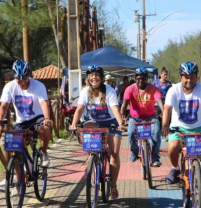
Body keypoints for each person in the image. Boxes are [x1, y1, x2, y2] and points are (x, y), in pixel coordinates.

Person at [161, 62, 201, 194]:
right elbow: (167, 108)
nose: (189, 80)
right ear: (181, 77)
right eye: (186, 76)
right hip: (178, 128)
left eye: (192, 76)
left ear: (196, 77)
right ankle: (175, 168)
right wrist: (165, 125)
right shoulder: (173, 90)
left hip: (199, 129)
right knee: (173, 146)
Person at [70, 65, 125, 199]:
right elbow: (79, 109)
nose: (94, 77)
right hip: (94, 122)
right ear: (88, 78)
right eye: (91, 75)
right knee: (86, 128)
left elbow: (116, 109)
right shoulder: (85, 91)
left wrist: (121, 123)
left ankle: (113, 184)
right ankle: (92, 157)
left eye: (96, 75)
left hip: (111, 122)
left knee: (114, 153)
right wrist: (73, 124)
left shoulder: (109, 91)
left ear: (100, 77)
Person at [0, 59, 52, 167]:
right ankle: (21, 179)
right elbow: (4, 105)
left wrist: (47, 118)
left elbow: (44, 103)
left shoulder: (39, 86)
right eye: (19, 79)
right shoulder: (9, 87)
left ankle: (43, 152)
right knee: (14, 149)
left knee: (44, 128)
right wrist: (0, 118)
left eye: (25, 78)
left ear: (29, 74)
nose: (22, 81)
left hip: (37, 117)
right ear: (14, 76)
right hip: (21, 121)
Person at [121, 67, 164, 167]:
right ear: (135, 78)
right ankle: (134, 152)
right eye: (138, 78)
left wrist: (164, 111)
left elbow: (159, 102)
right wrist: (122, 116)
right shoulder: (130, 89)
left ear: (147, 79)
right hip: (135, 118)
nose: (140, 80)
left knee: (157, 132)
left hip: (150, 117)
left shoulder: (153, 89)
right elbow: (124, 104)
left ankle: (155, 157)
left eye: (143, 78)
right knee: (131, 133)